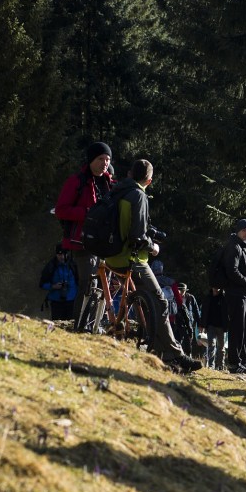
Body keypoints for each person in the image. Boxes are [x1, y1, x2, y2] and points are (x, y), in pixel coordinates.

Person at [103, 159, 201, 373]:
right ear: (149, 180)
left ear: (130, 173)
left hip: (111, 256)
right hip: (131, 259)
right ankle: (173, 354)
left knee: (144, 302)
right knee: (160, 302)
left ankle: (160, 349)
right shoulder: (138, 195)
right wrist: (153, 247)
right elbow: (136, 235)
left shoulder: (117, 190)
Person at [55, 141, 114, 329]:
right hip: (81, 242)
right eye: (100, 159)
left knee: (105, 286)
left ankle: (95, 325)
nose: (104, 163)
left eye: (107, 159)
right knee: (88, 283)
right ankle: (80, 326)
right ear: (91, 160)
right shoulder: (76, 181)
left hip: (106, 243)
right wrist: (87, 213)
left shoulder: (111, 183)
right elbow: (61, 210)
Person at [220, 219, 246, 373]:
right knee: (238, 328)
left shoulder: (242, 247)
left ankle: (244, 361)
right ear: (238, 230)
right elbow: (232, 270)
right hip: (235, 294)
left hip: (244, 294)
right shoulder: (234, 246)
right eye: (244, 230)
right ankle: (235, 363)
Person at [39, 243, 78, 320]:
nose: (62, 257)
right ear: (56, 254)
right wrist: (53, 286)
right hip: (56, 301)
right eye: (59, 255)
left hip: (72, 301)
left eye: (64, 254)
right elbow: (41, 284)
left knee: (71, 325)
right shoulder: (51, 266)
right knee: (58, 325)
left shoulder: (73, 264)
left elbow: (79, 281)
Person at [200, 288, 227, 370]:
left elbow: (227, 313)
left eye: (218, 288)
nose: (216, 290)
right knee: (211, 345)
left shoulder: (224, 298)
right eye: (215, 288)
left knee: (221, 347)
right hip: (210, 326)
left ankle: (220, 365)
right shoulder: (208, 298)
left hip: (221, 327)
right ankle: (211, 365)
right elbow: (204, 312)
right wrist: (202, 325)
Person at [176, 283, 201, 358]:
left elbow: (196, 311)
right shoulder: (174, 298)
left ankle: (188, 356)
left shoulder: (190, 297)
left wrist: (199, 324)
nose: (181, 292)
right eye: (180, 290)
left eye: (183, 290)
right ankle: (178, 357)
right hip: (178, 322)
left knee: (188, 340)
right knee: (178, 339)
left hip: (189, 322)